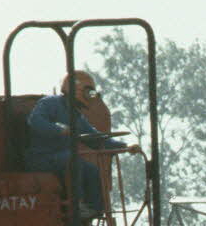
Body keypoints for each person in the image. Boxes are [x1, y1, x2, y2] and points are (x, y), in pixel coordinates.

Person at [26, 70, 139, 217]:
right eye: (88, 91)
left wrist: (125, 147)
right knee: (73, 159)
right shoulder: (49, 103)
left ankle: (93, 211)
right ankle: (76, 206)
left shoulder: (76, 115)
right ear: (76, 88)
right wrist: (58, 129)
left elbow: (96, 138)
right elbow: (34, 121)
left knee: (92, 171)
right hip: (40, 158)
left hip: (62, 158)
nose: (90, 96)